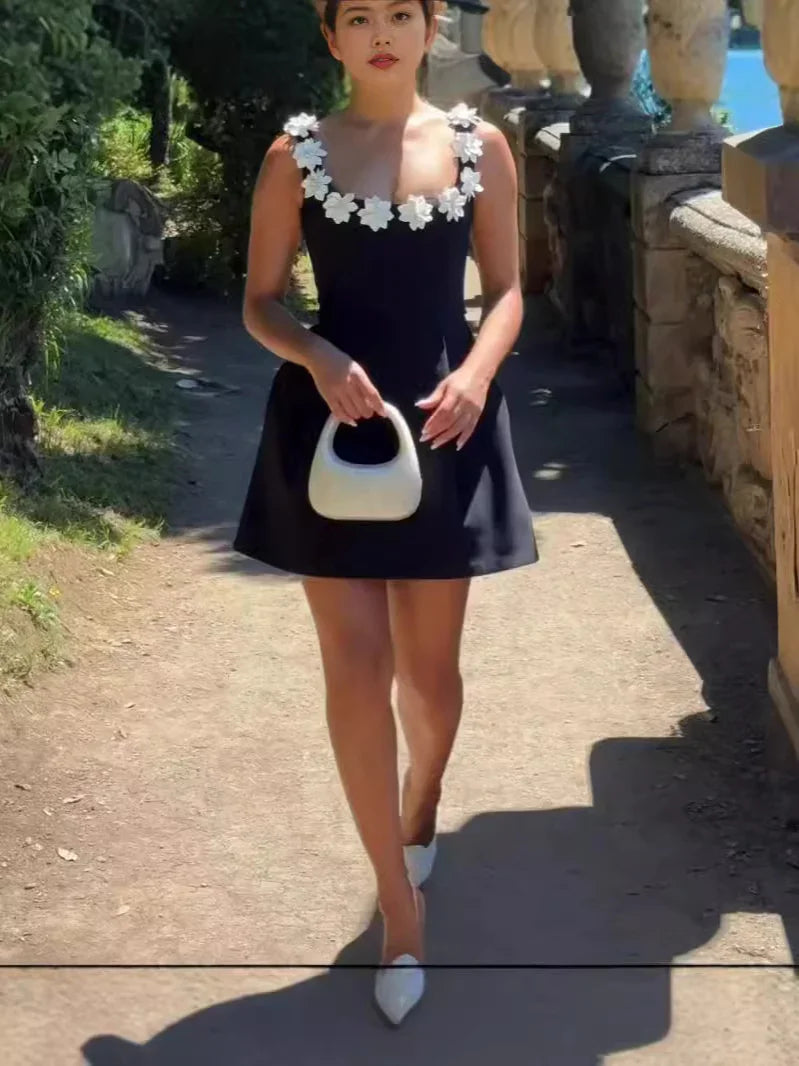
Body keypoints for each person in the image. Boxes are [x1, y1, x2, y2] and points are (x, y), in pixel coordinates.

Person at [235, 0, 537, 1026]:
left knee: (429, 680)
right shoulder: (295, 156)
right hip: (331, 433)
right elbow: (260, 301)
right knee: (356, 669)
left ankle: (423, 798)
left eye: (399, 13)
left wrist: (477, 377)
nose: (379, 31)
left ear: (428, 26)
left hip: (444, 427)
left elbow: (507, 291)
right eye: (357, 15)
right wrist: (316, 355)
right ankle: (400, 915)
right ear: (331, 38)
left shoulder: (481, 147)